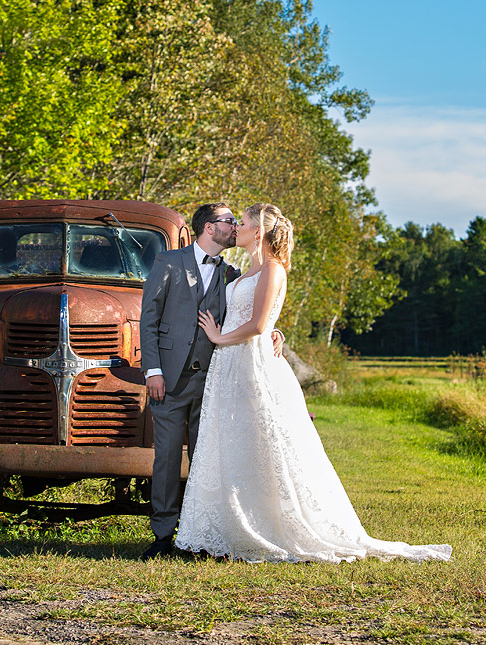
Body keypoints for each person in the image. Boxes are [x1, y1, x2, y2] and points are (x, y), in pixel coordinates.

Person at [174, 203, 452, 564]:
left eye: (241, 223)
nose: (236, 228)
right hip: (230, 366)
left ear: (258, 232)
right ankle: (230, 527)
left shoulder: (272, 269)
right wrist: (267, 330)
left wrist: (218, 337)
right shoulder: (245, 270)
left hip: (250, 364)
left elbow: (258, 325)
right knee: (234, 443)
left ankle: (275, 527)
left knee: (264, 443)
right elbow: (258, 318)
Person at [139, 201, 284, 560]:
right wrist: (153, 371)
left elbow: (251, 311)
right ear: (208, 227)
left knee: (209, 460)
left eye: (238, 222)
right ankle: (162, 536)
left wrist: (275, 330)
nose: (235, 227)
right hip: (168, 381)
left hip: (214, 383)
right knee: (168, 459)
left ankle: (201, 535)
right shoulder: (169, 263)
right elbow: (149, 320)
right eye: (228, 221)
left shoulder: (232, 272)